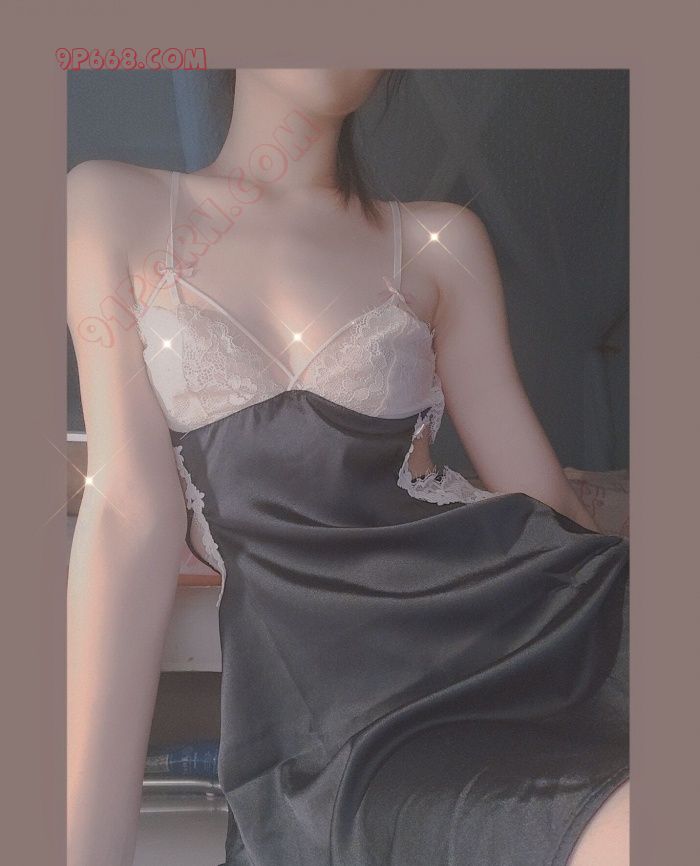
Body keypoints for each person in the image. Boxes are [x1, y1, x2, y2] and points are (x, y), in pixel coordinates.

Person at [67, 68, 630, 866]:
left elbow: (545, 510)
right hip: (346, 711)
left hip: (532, 625)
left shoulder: (438, 241)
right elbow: (130, 511)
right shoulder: (115, 207)